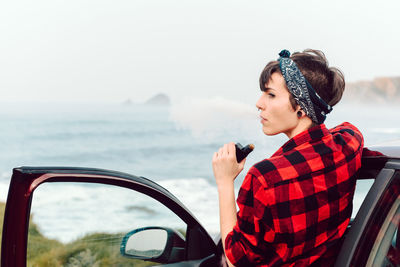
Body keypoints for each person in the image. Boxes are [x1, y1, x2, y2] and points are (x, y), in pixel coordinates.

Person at [212, 49, 364, 266]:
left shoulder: (265, 177)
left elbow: (237, 259)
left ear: (301, 106)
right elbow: (344, 130)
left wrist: (224, 181)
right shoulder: (349, 143)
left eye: (270, 94)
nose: (259, 103)